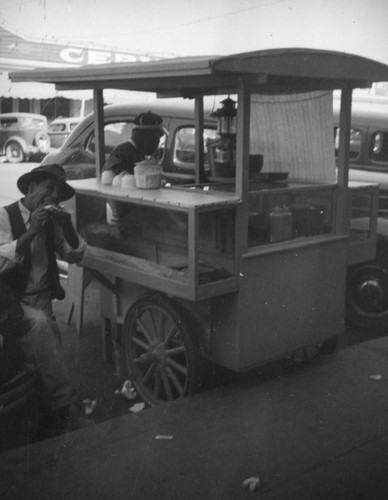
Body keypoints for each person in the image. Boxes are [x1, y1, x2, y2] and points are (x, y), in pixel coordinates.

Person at [0, 163, 87, 435]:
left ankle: (49, 412)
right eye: (48, 190)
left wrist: (66, 225)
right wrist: (31, 232)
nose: (52, 198)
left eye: (57, 194)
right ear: (31, 187)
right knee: (42, 333)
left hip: (43, 299)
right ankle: (68, 409)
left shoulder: (53, 221)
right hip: (11, 302)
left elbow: (75, 255)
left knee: (49, 355)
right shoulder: (5, 216)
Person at [103, 110, 167, 176]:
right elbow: (110, 175)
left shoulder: (141, 154)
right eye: (156, 138)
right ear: (145, 135)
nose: (158, 142)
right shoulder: (121, 152)